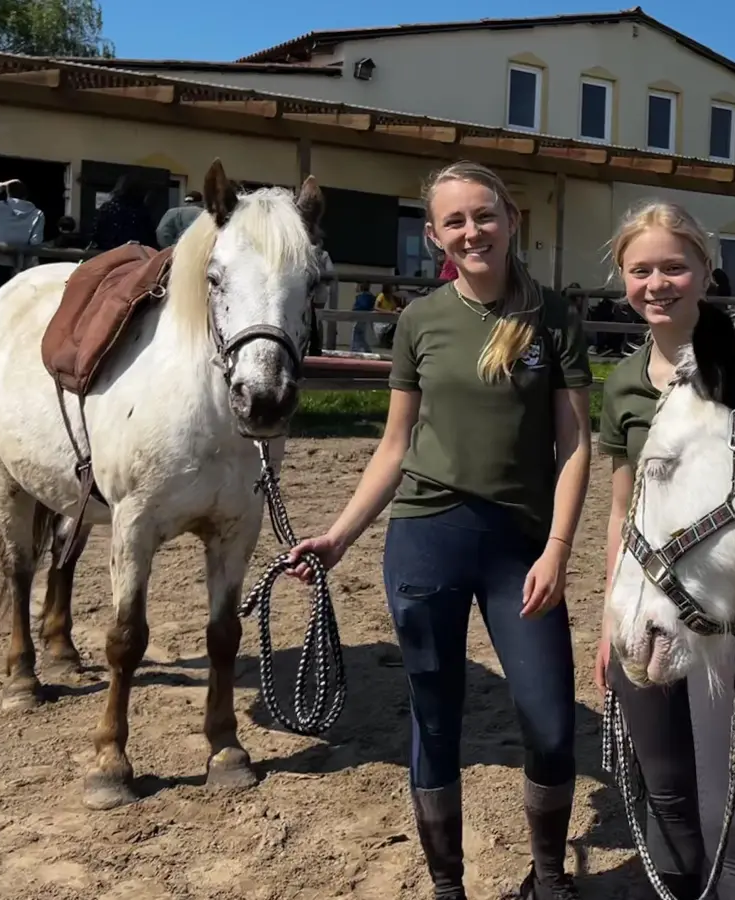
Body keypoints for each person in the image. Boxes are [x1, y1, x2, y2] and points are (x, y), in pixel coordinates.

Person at [284, 160, 595, 900]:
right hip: (426, 537)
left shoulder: (554, 318)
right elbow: (395, 447)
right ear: (434, 237)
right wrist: (339, 536)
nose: (472, 230)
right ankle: (448, 886)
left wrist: (557, 549)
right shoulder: (420, 322)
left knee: (550, 719)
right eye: (455, 221)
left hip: (521, 547)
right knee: (435, 713)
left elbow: (577, 447)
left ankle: (548, 882)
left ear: (511, 219)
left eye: (484, 215)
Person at [596, 199, 735, 900]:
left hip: (731, 623)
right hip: (645, 609)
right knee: (669, 805)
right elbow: (624, 509)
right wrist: (608, 614)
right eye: (641, 269)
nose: (658, 283)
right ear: (623, 278)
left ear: (706, 271)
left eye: (675, 267)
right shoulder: (624, 383)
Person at [0, 178, 46, 291]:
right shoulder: (37, 214)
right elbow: (36, 241)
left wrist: (0, 185)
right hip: (21, 266)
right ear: (26, 196)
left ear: (8, 194)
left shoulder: (0, 207)